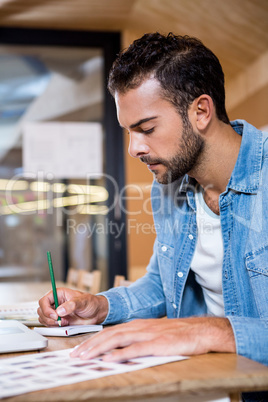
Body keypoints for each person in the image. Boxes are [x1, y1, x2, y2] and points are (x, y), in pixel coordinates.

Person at [38, 33, 268, 375]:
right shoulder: (169, 187)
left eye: (146, 128)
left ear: (201, 111)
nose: (134, 149)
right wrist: (100, 306)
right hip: (206, 383)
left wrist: (208, 329)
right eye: (129, 132)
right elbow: (163, 283)